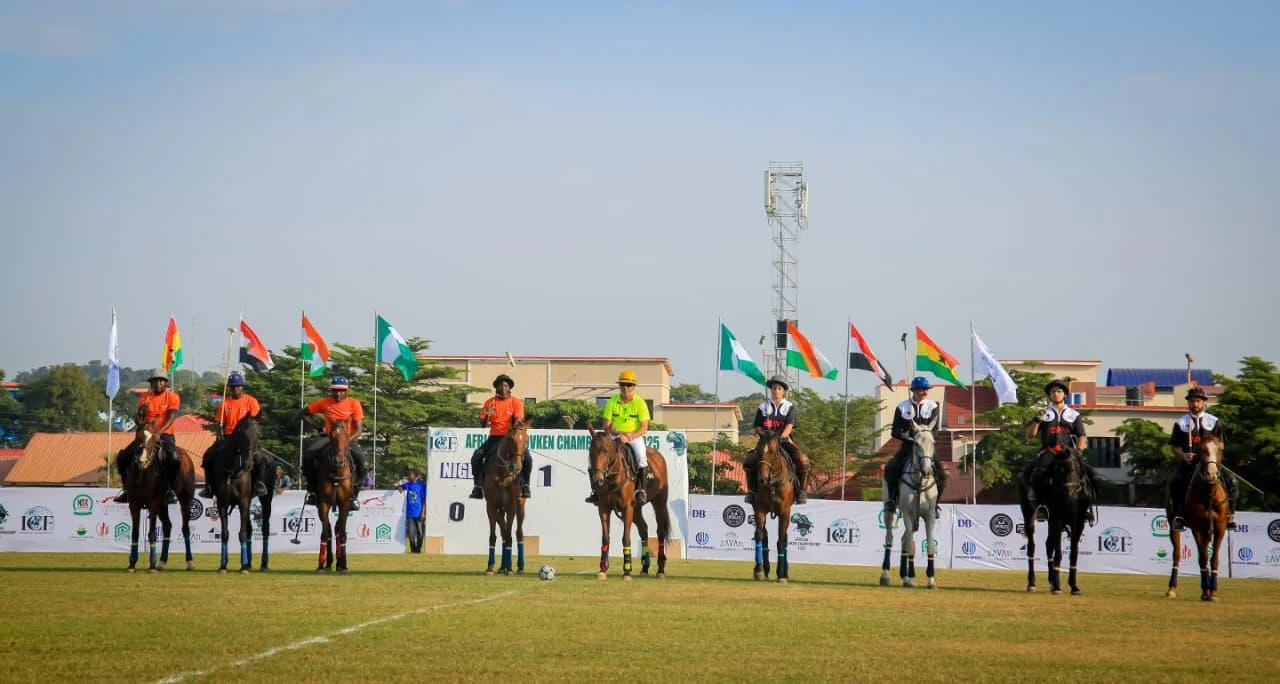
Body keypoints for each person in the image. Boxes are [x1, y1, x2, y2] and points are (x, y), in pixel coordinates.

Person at [1026, 379, 1096, 523]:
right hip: (1049, 451)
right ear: (1049, 395)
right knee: (1039, 472)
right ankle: (1041, 505)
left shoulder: (1074, 414)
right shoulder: (1043, 413)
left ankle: (1087, 508)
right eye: (1053, 392)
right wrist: (1037, 421)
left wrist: (1079, 451)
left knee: (1088, 473)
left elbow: (1081, 435)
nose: (1056, 394)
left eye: (1059, 391)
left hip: (1069, 452)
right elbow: (1030, 435)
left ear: (1064, 394)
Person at [1169, 386, 1237, 531]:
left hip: (1210, 463)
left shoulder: (1214, 421)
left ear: (1203, 402)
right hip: (1190, 464)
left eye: (1198, 401)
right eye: (1192, 401)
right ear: (1188, 403)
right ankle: (1179, 516)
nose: (1195, 404)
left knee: (1232, 481)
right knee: (1176, 482)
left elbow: (1221, 445)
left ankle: (1230, 514)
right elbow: (1174, 447)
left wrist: (1213, 456)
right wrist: (1184, 455)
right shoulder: (1181, 423)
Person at [298, 376, 369, 511]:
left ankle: (354, 493)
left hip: (349, 439)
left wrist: (345, 442)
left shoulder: (354, 403)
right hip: (329, 438)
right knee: (308, 455)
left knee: (364, 464)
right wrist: (318, 427)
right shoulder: (324, 402)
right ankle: (312, 491)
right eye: (335, 390)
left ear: (346, 391)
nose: (338, 393)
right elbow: (303, 413)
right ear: (331, 391)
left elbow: (359, 429)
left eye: (341, 391)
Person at [114, 371, 181, 504]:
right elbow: (138, 420)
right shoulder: (145, 397)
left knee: (173, 459)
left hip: (164, 434)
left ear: (165, 383)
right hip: (145, 435)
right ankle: (126, 490)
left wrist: (158, 433)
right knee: (122, 457)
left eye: (161, 381)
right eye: (155, 381)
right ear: (151, 383)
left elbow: (171, 418)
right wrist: (140, 413)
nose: (158, 384)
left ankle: (171, 490)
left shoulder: (172, 397)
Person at [882, 376, 948, 513]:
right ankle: (892, 500)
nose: (924, 392)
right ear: (913, 391)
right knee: (892, 468)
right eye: (921, 389)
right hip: (908, 446)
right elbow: (894, 431)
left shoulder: (933, 406)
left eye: (926, 389)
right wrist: (905, 436)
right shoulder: (902, 407)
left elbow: (936, 430)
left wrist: (925, 436)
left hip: (926, 448)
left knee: (942, 473)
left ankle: (935, 503)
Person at [743, 375, 811, 505]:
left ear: (783, 391)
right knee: (749, 460)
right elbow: (757, 426)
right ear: (771, 390)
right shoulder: (763, 407)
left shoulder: (789, 407)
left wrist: (780, 437)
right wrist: (764, 434)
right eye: (774, 388)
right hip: (766, 442)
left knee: (802, 460)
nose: (776, 391)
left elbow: (789, 426)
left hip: (784, 441)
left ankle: (801, 492)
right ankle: (751, 491)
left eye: (779, 388)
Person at [198, 372, 267, 499]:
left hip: (246, 438)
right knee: (208, 455)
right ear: (230, 388)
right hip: (229, 438)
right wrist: (219, 434)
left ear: (242, 387)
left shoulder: (251, 401)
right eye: (233, 386)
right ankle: (208, 487)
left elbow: (253, 422)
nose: (236, 388)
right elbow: (218, 423)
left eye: (238, 386)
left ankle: (259, 484)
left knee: (259, 458)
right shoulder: (224, 404)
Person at [587, 370, 651, 505]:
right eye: (623, 385)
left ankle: (641, 491)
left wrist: (629, 436)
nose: (625, 388)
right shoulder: (612, 401)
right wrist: (614, 431)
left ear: (634, 386)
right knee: (591, 461)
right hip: (614, 435)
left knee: (641, 458)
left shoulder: (640, 403)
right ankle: (595, 491)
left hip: (633, 436)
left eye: (629, 385)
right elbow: (606, 425)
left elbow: (644, 427)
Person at [468, 374, 530, 499]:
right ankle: (477, 487)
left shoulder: (516, 402)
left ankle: (525, 485)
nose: (503, 388)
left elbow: (519, 419)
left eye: (506, 385)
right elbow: (483, 425)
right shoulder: (490, 402)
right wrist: (486, 414)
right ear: (496, 388)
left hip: (510, 437)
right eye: (500, 385)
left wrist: (516, 423)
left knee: (527, 458)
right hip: (495, 437)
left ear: (510, 388)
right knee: (477, 456)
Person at [399, 467, 427, 553]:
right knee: (411, 534)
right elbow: (401, 489)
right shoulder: (407, 484)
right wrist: (398, 486)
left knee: (420, 533)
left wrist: (423, 513)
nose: (408, 476)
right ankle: (413, 550)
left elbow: (424, 500)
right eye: (407, 475)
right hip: (410, 514)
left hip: (419, 513)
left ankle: (418, 550)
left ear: (415, 475)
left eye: (409, 475)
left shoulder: (421, 486)